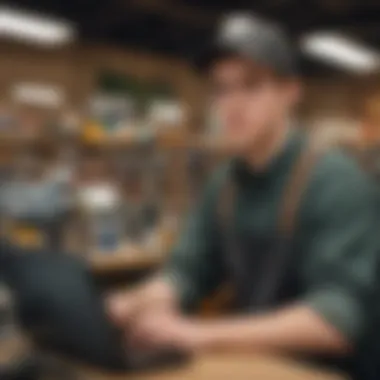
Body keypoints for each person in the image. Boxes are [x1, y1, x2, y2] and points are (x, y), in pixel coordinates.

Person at [107, 13, 379, 374]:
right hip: (261, 364)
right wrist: (136, 302)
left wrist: (196, 334)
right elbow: (188, 270)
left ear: (290, 93)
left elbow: (337, 319)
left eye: (251, 86)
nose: (232, 104)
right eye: (221, 89)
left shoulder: (337, 183)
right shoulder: (224, 185)